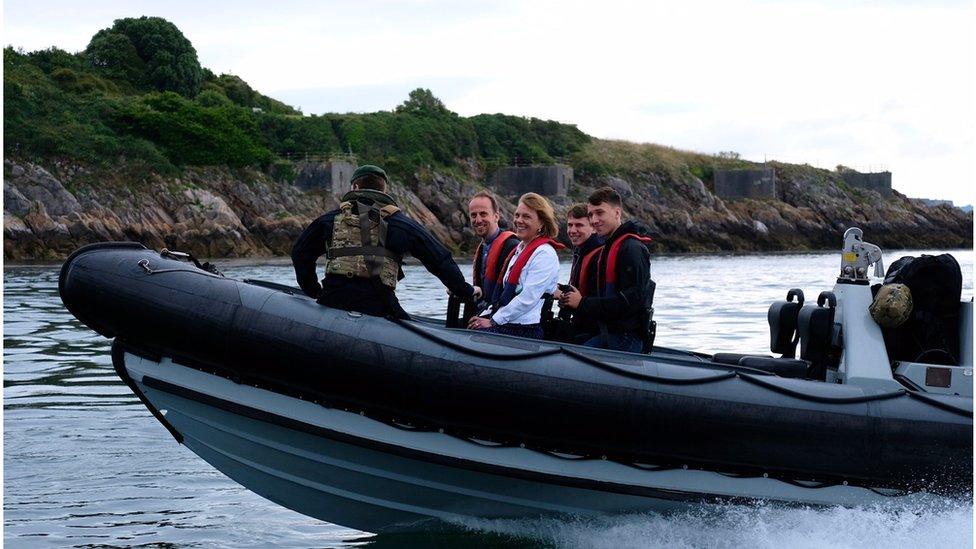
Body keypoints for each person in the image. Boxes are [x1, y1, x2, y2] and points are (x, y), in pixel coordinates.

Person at [291, 164, 477, 319]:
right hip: (379, 306)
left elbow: (300, 253)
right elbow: (440, 261)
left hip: (332, 299)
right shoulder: (403, 225)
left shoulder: (329, 220)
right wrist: (465, 291)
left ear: (355, 187)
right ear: (384, 190)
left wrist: (314, 291)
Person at [560, 187, 653, 352]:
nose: (594, 219)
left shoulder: (632, 249)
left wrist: (582, 303)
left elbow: (631, 302)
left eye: (599, 213)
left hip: (625, 337)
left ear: (617, 213)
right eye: (591, 215)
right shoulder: (608, 248)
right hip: (606, 331)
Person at [467, 192, 563, 339]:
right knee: (469, 328)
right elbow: (503, 294)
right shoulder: (519, 250)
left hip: (526, 328)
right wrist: (485, 315)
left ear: (542, 223)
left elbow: (527, 299)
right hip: (507, 322)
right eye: (517, 215)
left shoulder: (545, 254)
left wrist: (493, 321)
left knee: (475, 337)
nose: (519, 221)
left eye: (526, 217)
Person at [552, 204, 605, 342]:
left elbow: (603, 301)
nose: (572, 230)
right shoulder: (581, 252)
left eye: (579, 225)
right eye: (570, 225)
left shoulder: (600, 257)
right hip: (580, 324)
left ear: (593, 228)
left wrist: (572, 299)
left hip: (596, 330)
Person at [468, 191, 519, 309]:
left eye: (483, 214)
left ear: (496, 216)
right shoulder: (482, 248)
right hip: (483, 311)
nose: (478, 220)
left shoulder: (512, 247)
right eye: (473, 215)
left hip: (500, 315)